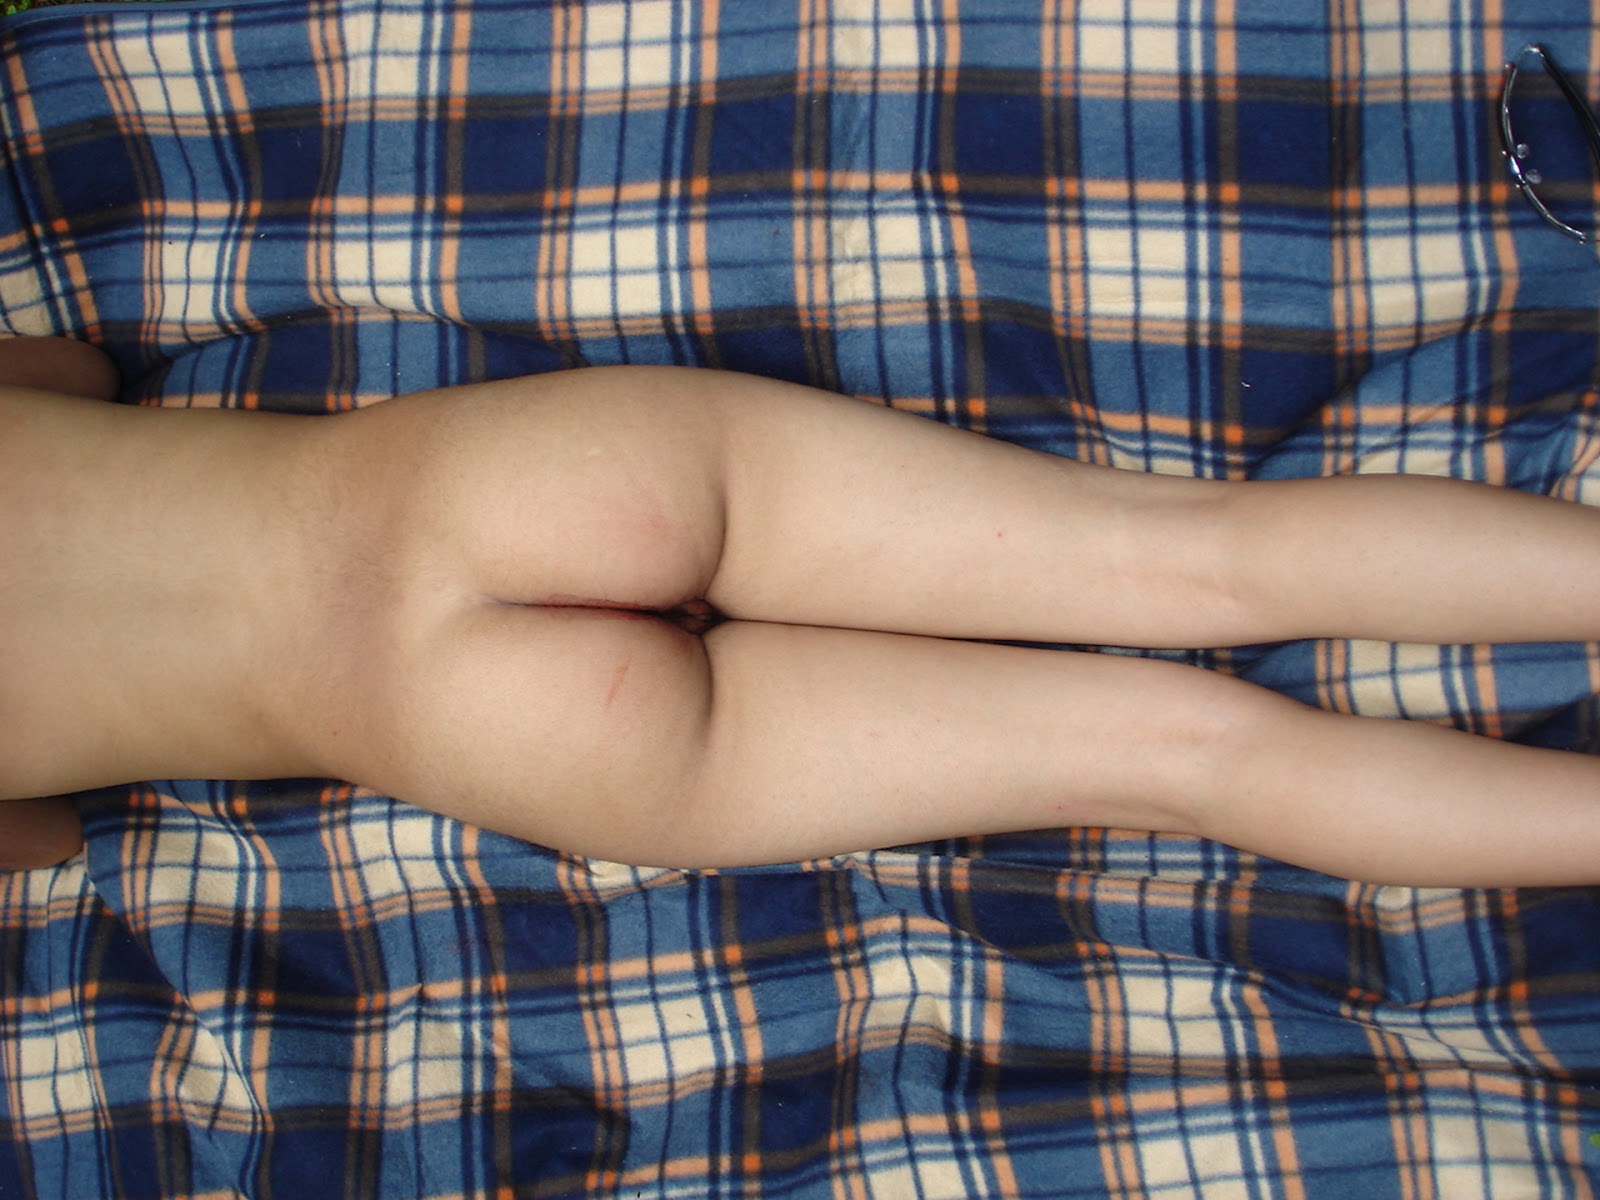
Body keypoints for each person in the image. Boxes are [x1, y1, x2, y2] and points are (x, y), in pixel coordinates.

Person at [1, 333, 1596, 886]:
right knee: (1192, 558)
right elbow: (66, 373)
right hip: (491, 485)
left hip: (470, 729)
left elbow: (44, 836)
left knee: (1184, 758)